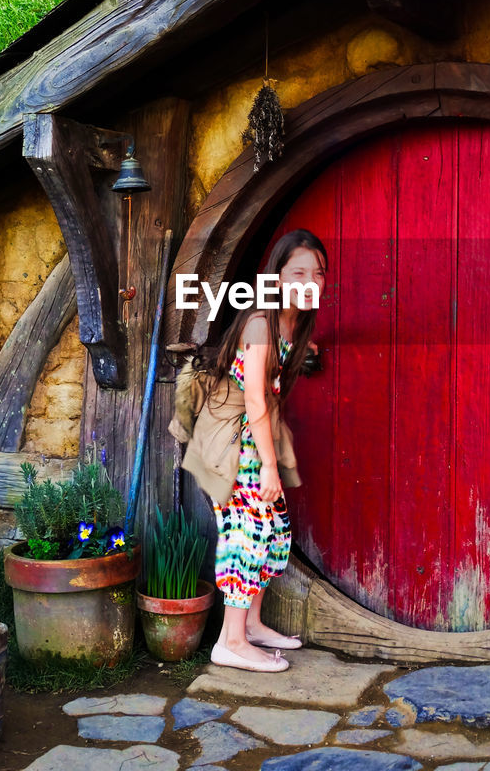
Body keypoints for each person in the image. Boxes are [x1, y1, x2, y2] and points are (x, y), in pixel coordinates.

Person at [182, 228, 327, 673]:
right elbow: (255, 400)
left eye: (318, 274)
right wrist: (268, 465)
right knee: (246, 537)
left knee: (274, 533)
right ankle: (230, 642)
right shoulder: (262, 322)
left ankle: (253, 626)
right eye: (298, 271)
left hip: (250, 441)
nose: (310, 281)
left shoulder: (290, 322)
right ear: (277, 276)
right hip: (233, 448)